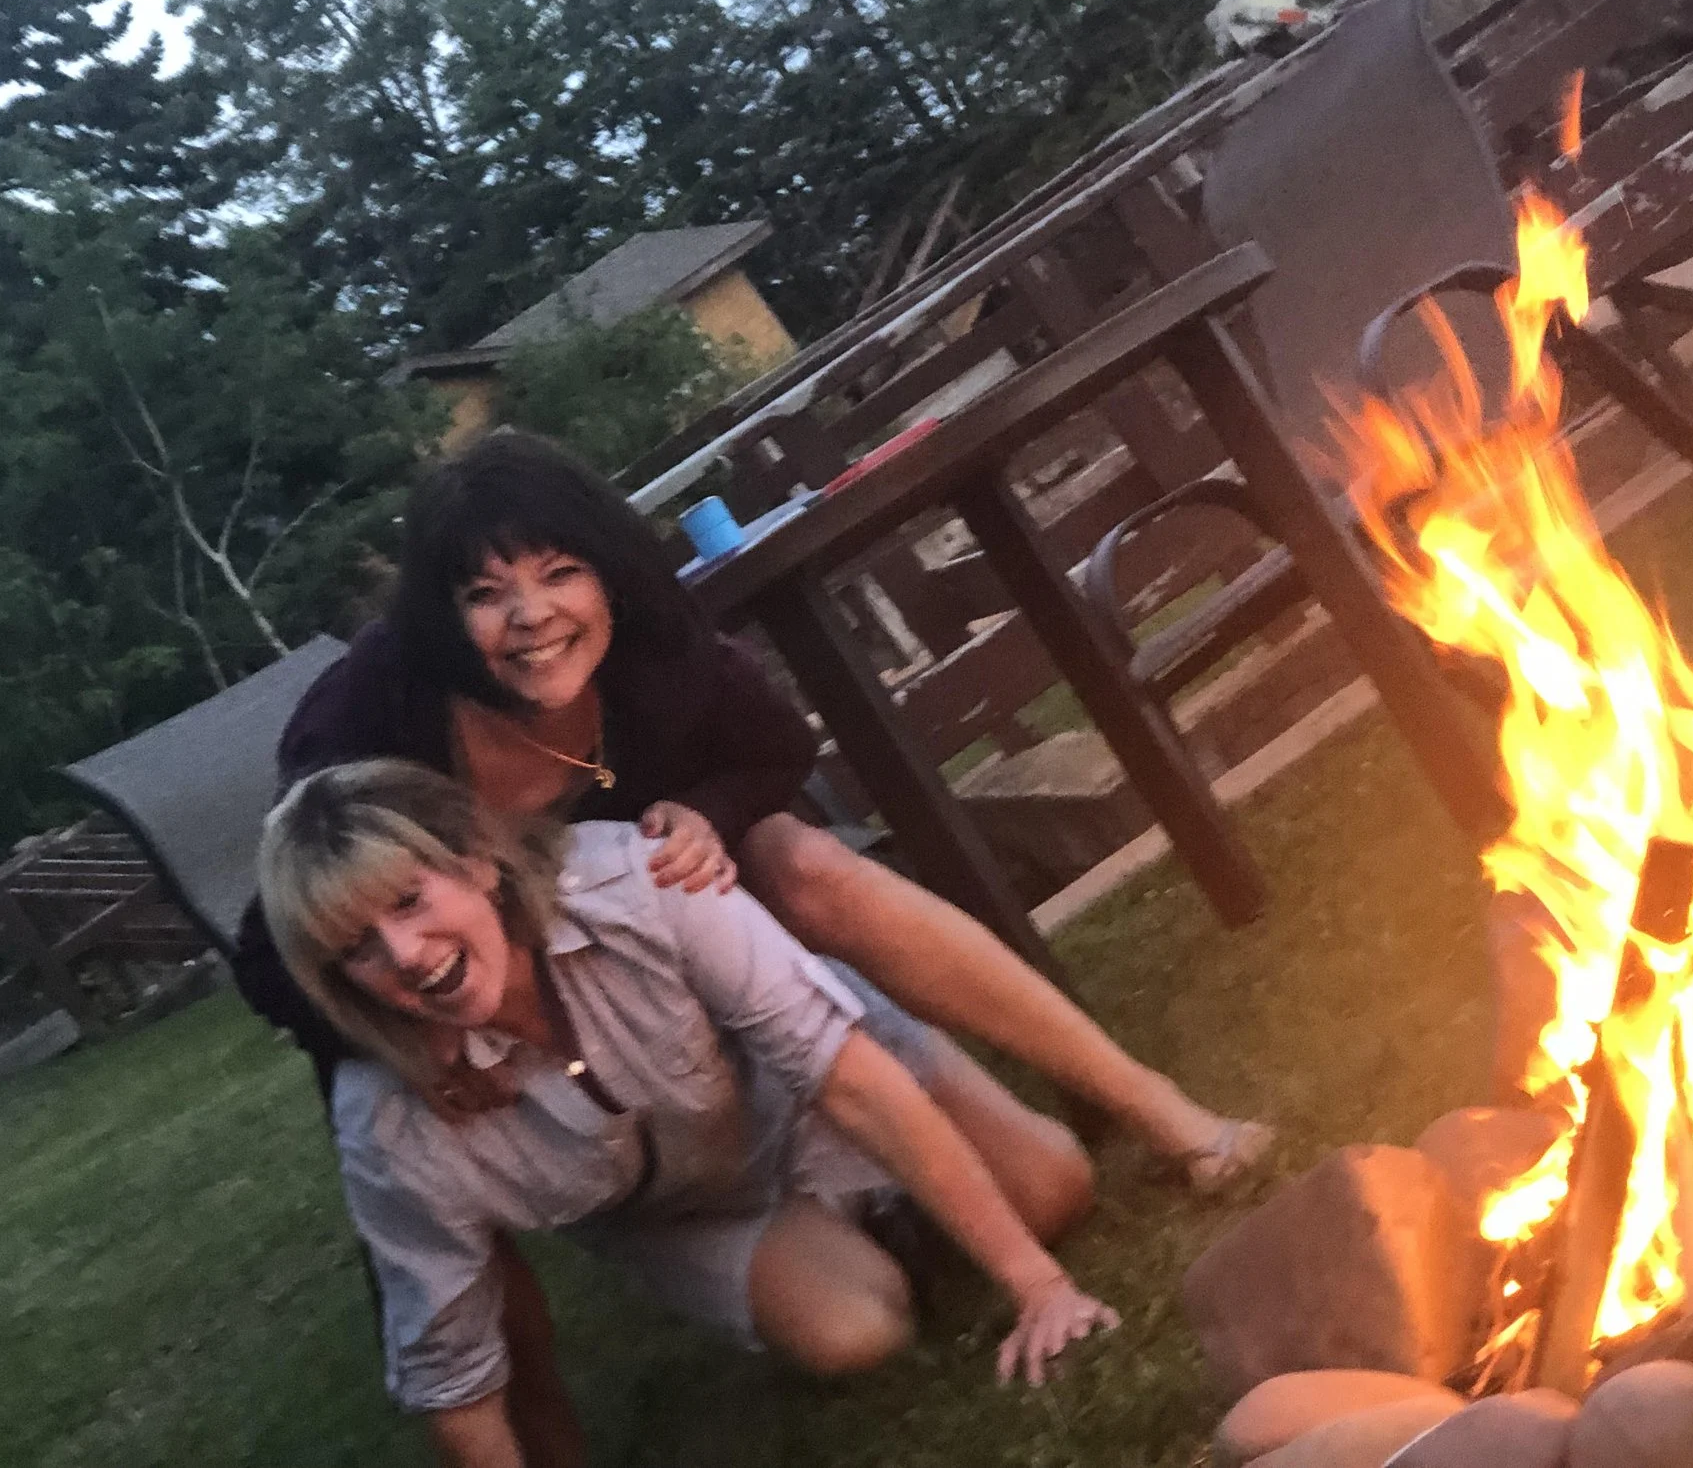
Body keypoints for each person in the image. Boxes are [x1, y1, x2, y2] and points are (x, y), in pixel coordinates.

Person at [233, 429, 1269, 1185]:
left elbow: (779, 751)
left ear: (610, 576)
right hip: (508, 993)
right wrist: (408, 1050)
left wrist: (707, 811)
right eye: (484, 593)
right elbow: (279, 951)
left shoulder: (657, 650)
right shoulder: (368, 721)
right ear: (440, 615)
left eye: (560, 573)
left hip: (684, 919)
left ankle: (1154, 1106)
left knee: (806, 862)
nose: (531, 616)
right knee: (398, 1122)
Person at [261, 759, 1120, 1466]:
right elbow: (457, 1379)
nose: (405, 954)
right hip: (687, 1210)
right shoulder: (389, 1124)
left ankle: (911, 1201)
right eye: (357, 947)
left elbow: (849, 1080)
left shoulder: (633, 880)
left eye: (408, 900)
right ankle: (886, 1222)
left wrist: (1039, 1286)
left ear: (475, 862)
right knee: (857, 1331)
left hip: (796, 1086)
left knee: (1055, 1189)